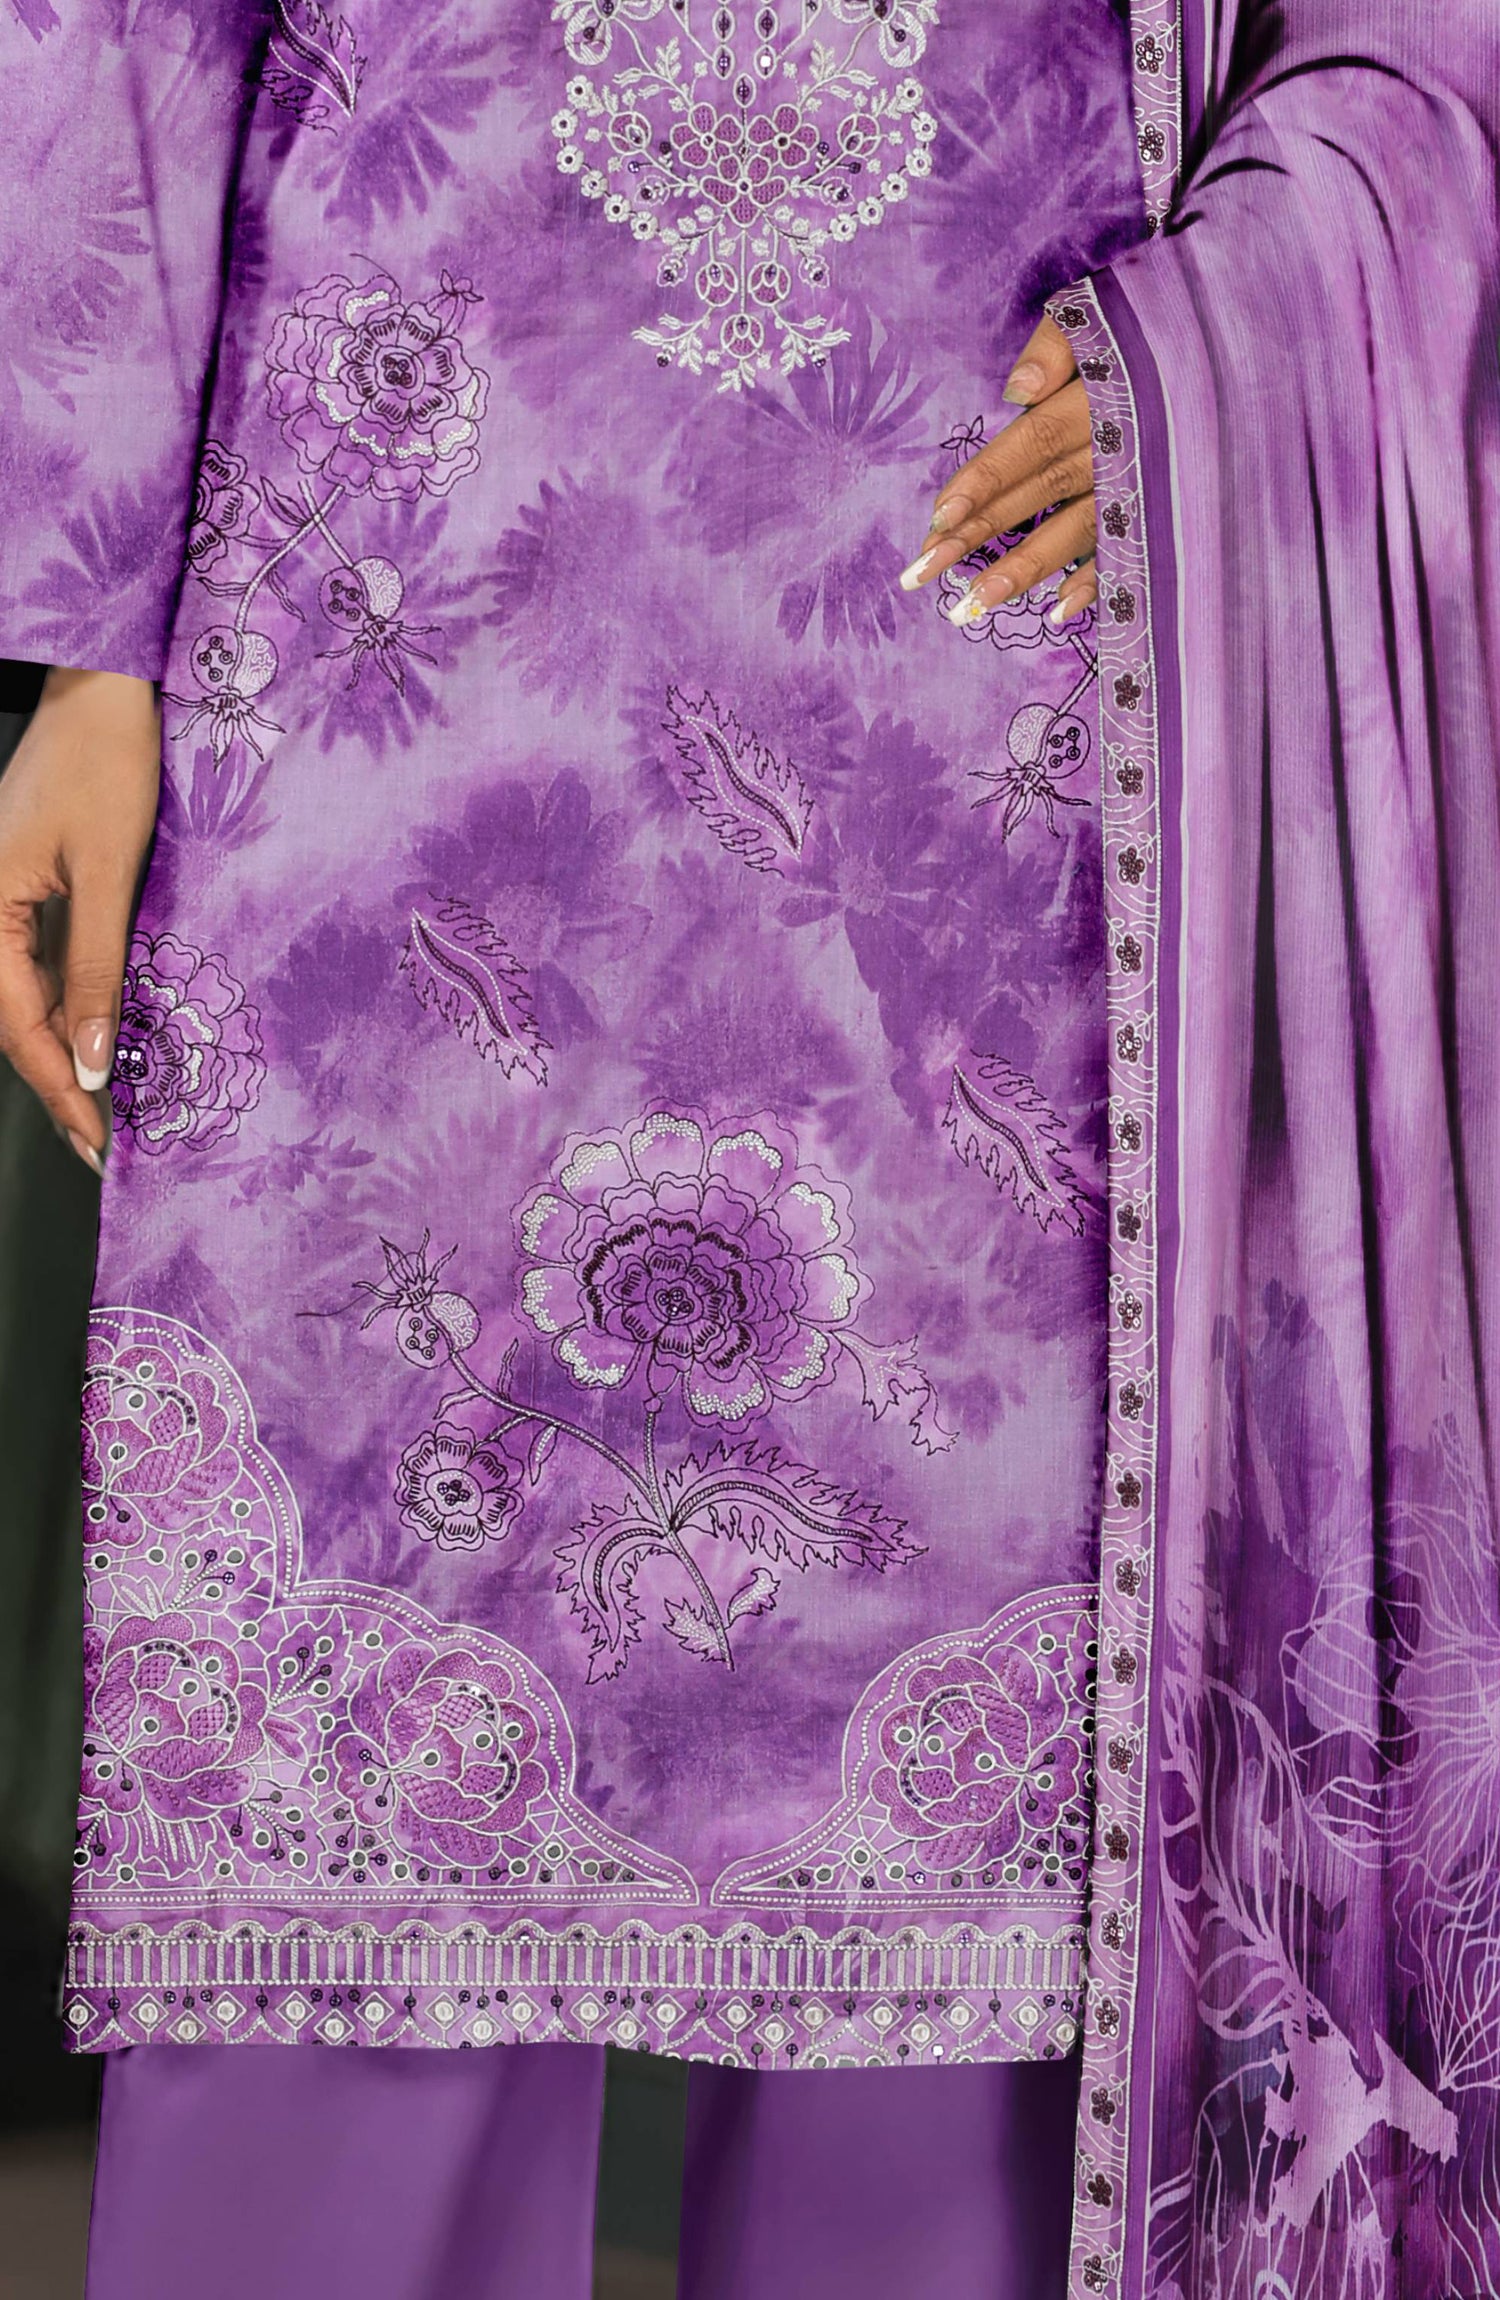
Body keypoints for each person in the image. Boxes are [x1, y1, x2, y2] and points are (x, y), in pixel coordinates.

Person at [0, 3, 1497, 2296]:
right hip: (384, 620)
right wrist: (84, 651)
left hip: (1008, 672)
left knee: (962, 1970)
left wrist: (1237, 354)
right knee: (329, 1818)